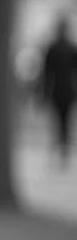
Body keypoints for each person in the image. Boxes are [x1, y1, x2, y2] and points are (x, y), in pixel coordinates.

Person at [40, 15, 77, 166]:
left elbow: (46, 73)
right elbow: (47, 73)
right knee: (62, 122)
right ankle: (61, 152)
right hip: (65, 91)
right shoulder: (67, 48)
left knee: (60, 122)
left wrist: (43, 93)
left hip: (61, 91)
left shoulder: (57, 48)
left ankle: (61, 152)